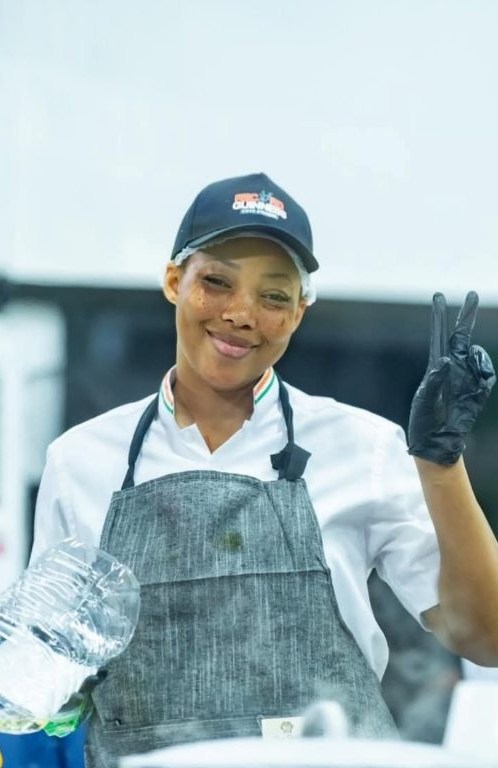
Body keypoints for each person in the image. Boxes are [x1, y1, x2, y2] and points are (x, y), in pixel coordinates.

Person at [29, 173, 498, 766]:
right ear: (175, 281)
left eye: (274, 296)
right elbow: (49, 679)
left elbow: (486, 637)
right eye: (216, 283)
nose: (241, 314)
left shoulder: (365, 448)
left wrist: (441, 464)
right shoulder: (79, 461)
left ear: (300, 312)